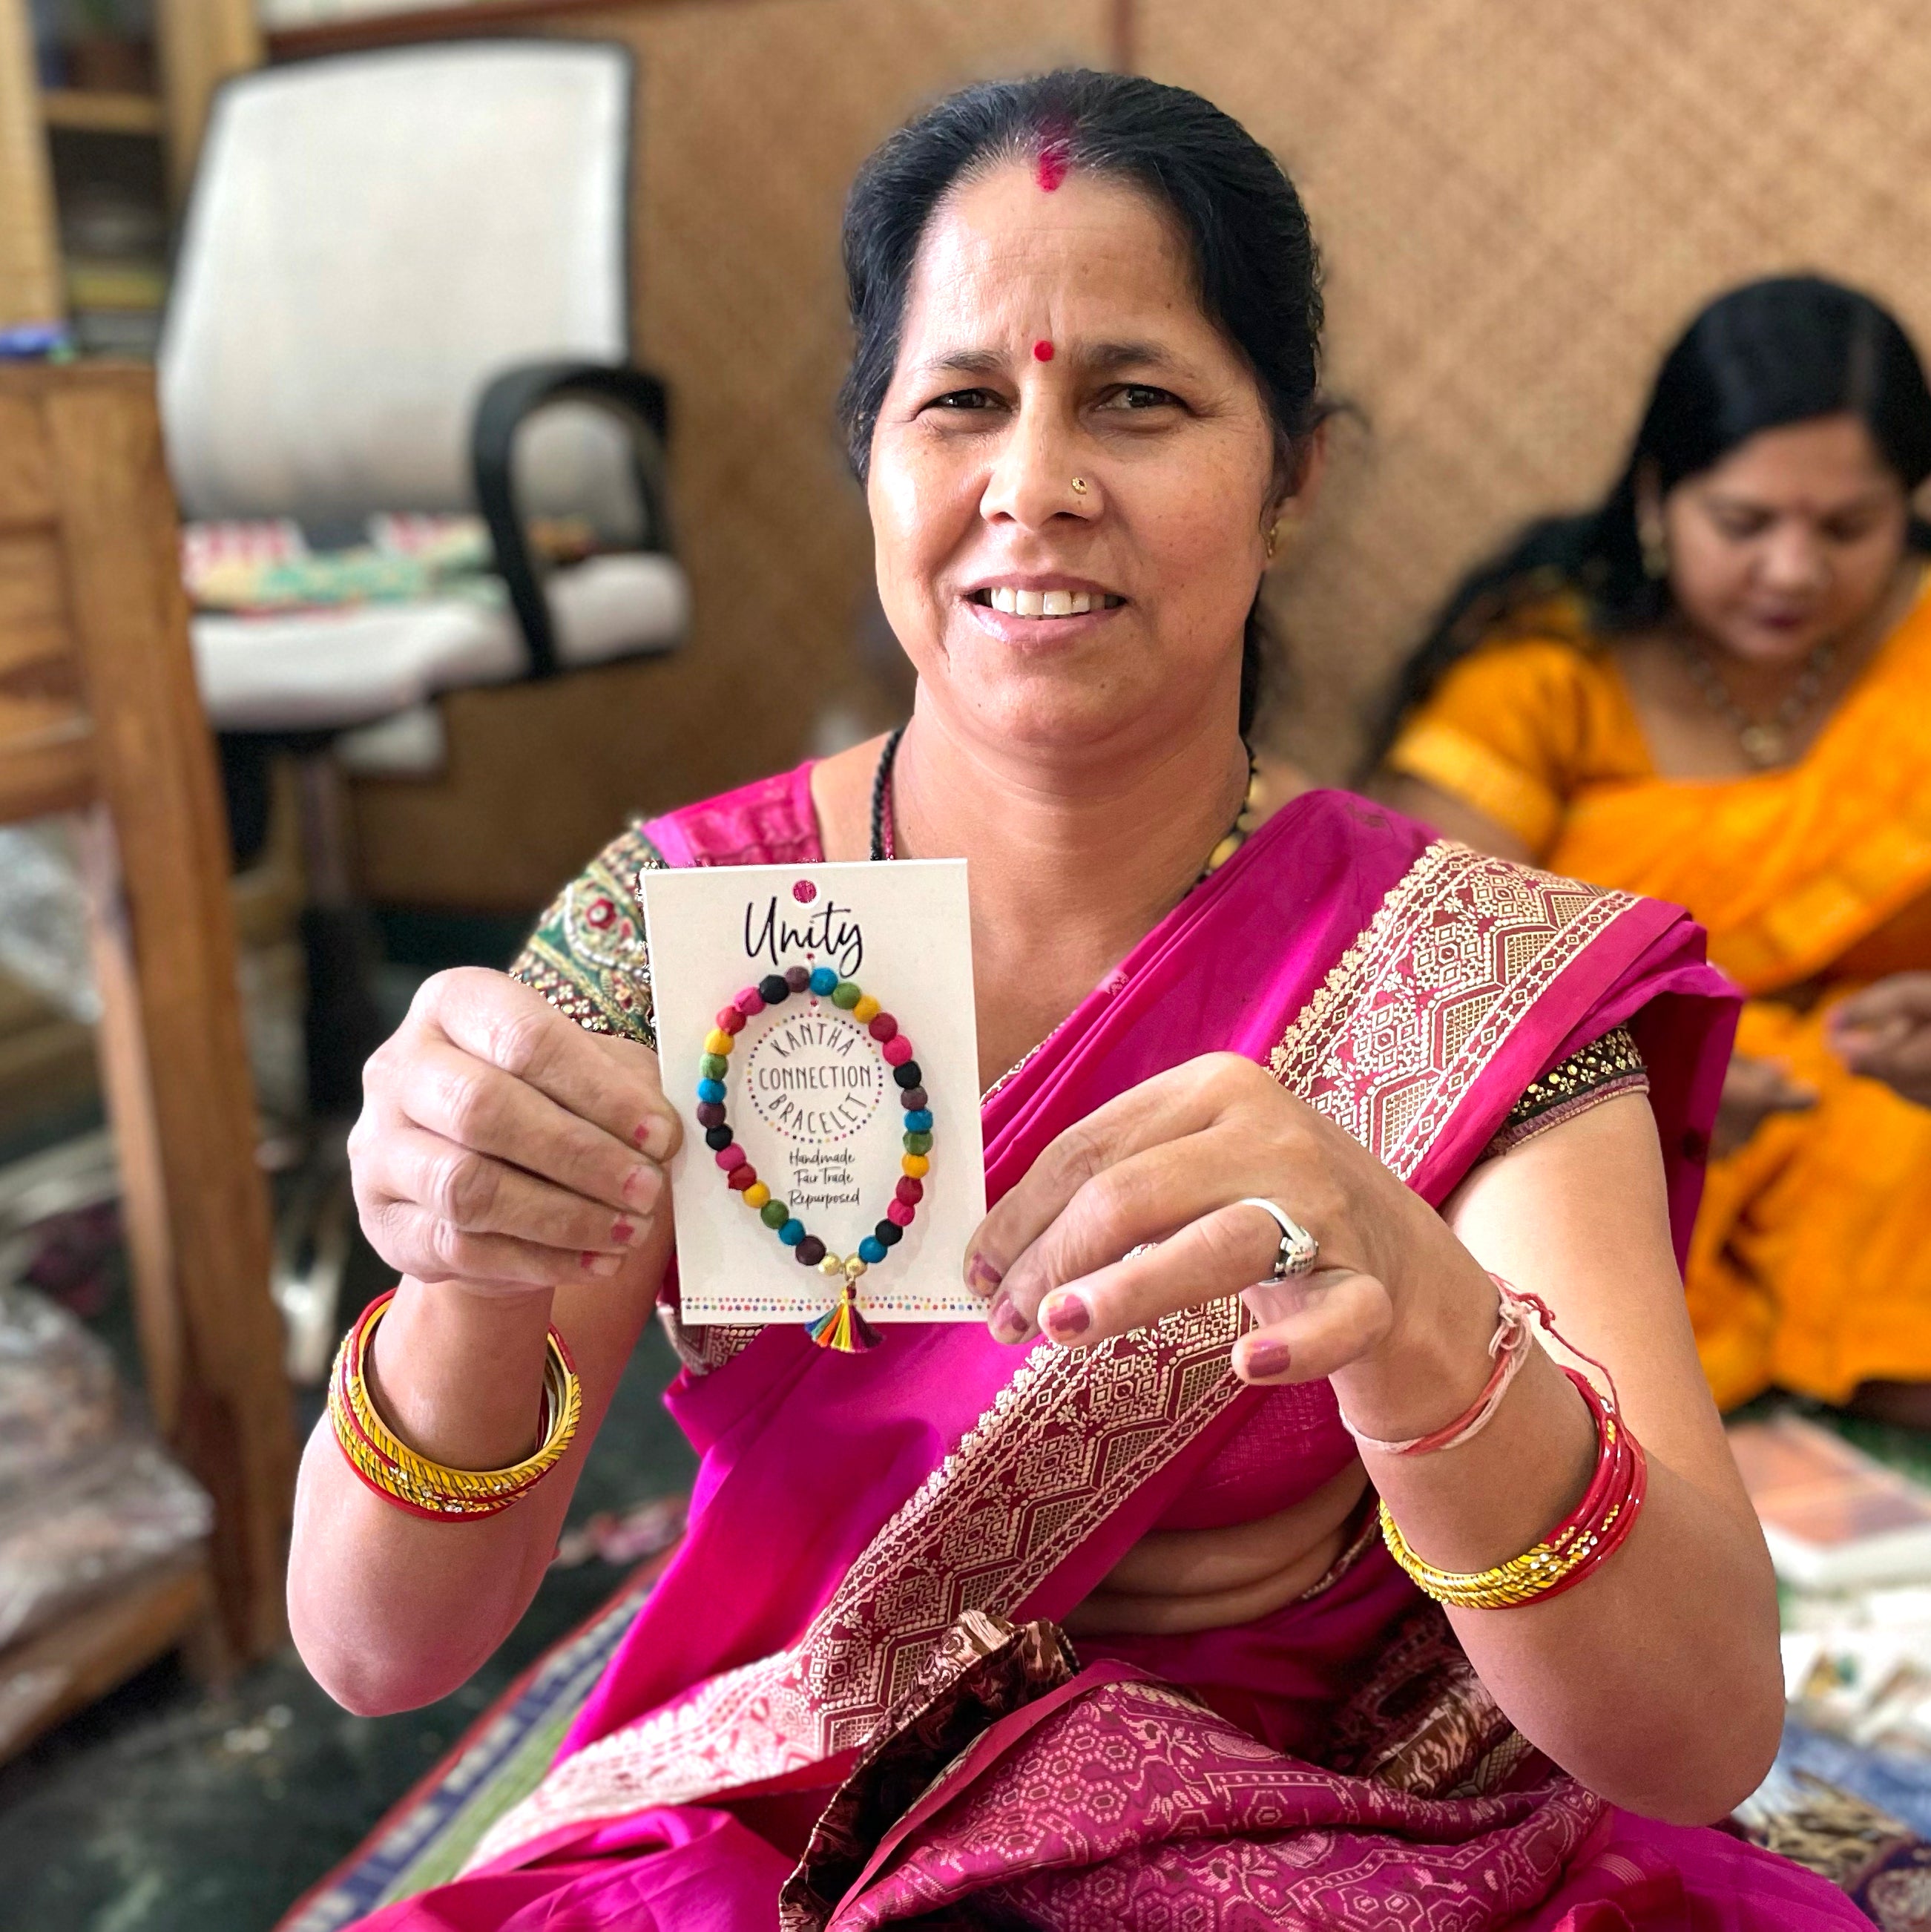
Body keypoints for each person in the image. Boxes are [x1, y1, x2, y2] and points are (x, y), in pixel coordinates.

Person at [291, 76, 1858, 1929]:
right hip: (810, 1831)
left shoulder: (1463, 983)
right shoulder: (682, 927)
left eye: (1137, 396)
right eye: (959, 400)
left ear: (1292, 477)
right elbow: (379, 1652)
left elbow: (1694, 1731)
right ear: (870, 458)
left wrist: (1419, 1324)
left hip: (1350, 1843)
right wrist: (466, 1265)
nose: (1033, 485)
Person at [1378, 276, 1931, 1422]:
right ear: (1656, 495)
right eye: (1743, 522)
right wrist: (1645, 1085)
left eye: (1846, 529)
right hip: (1600, 1162)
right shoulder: (1546, 687)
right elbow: (1420, 993)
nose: (1793, 571)